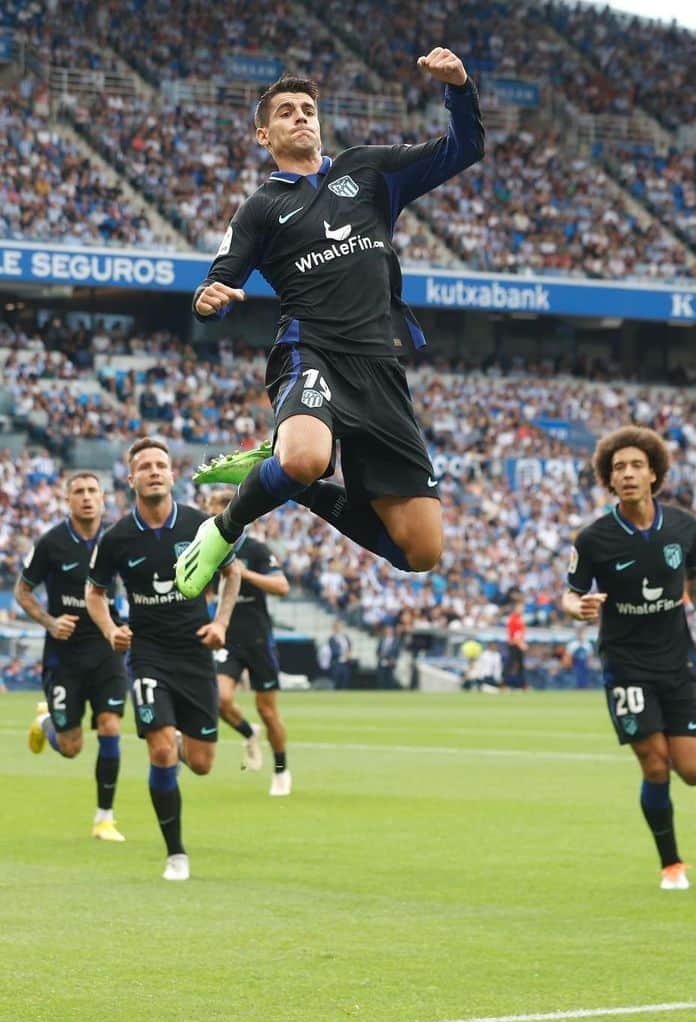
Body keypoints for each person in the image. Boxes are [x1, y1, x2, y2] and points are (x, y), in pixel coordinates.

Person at [173, 50, 485, 599]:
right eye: (286, 111)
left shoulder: (368, 170)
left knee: (421, 551)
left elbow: (465, 148)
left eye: (308, 109)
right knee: (307, 458)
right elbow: (218, 281)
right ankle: (222, 529)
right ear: (263, 134)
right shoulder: (260, 208)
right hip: (310, 350)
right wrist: (210, 299)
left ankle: (290, 482)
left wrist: (458, 89)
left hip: (380, 368)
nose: (301, 116)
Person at [562, 425, 696, 891]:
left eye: (637, 465)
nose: (629, 474)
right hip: (626, 665)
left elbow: (693, 580)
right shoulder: (593, 539)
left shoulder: (683, 525)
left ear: (654, 473)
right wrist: (578, 608)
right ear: (609, 480)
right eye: (619, 468)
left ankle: (669, 831)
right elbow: (570, 595)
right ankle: (671, 864)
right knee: (655, 765)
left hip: (677, 660)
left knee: (693, 771)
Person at [86, 439, 241, 881]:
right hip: (148, 654)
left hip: (195, 652)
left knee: (204, 763)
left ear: (172, 474)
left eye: (161, 465)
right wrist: (111, 630)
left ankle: (176, 742)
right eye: (145, 467)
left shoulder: (200, 524)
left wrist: (221, 624)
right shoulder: (116, 537)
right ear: (131, 479)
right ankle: (176, 854)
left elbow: (232, 573)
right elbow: (94, 594)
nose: (154, 471)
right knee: (158, 753)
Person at [16, 472, 126, 842]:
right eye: (78, 492)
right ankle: (47, 722)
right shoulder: (51, 542)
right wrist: (49, 621)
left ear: (103, 498)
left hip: (108, 649)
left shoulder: (116, 540)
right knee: (70, 747)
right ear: (67, 500)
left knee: (111, 725)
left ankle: (104, 818)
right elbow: (23, 590)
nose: (86, 498)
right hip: (64, 656)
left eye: (92, 491)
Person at [205, 490, 292, 796]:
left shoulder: (255, 549)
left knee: (268, 712)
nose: (216, 514)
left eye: (222, 508)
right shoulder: (208, 551)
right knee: (220, 700)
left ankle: (281, 770)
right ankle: (247, 732)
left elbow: (282, 586)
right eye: (213, 509)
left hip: (257, 638)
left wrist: (243, 574)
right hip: (227, 638)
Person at [506, 597, 528, 690]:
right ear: (516, 608)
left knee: (521, 666)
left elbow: (520, 633)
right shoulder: (513, 619)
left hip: (519, 644)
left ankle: (523, 685)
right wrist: (520, 644)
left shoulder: (520, 618)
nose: (522, 609)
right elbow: (513, 634)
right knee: (510, 664)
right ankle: (503, 684)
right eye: (520, 607)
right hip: (514, 645)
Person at [375, 622, 401, 690]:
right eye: (387, 630)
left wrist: (394, 659)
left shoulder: (396, 641)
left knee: (390, 680)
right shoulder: (382, 640)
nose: (388, 632)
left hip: (391, 663)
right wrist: (379, 655)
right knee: (381, 680)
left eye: (390, 630)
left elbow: (398, 652)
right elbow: (377, 650)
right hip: (382, 662)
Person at [328, 620, 352, 690]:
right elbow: (334, 651)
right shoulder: (332, 638)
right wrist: (344, 654)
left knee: (344, 681)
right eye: (337, 627)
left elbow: (349, 647)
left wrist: (349, 654)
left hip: (345, 663)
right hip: (336, 663)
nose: (338, 628)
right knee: (336, 681)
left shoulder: (345, 637)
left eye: (339, 627)